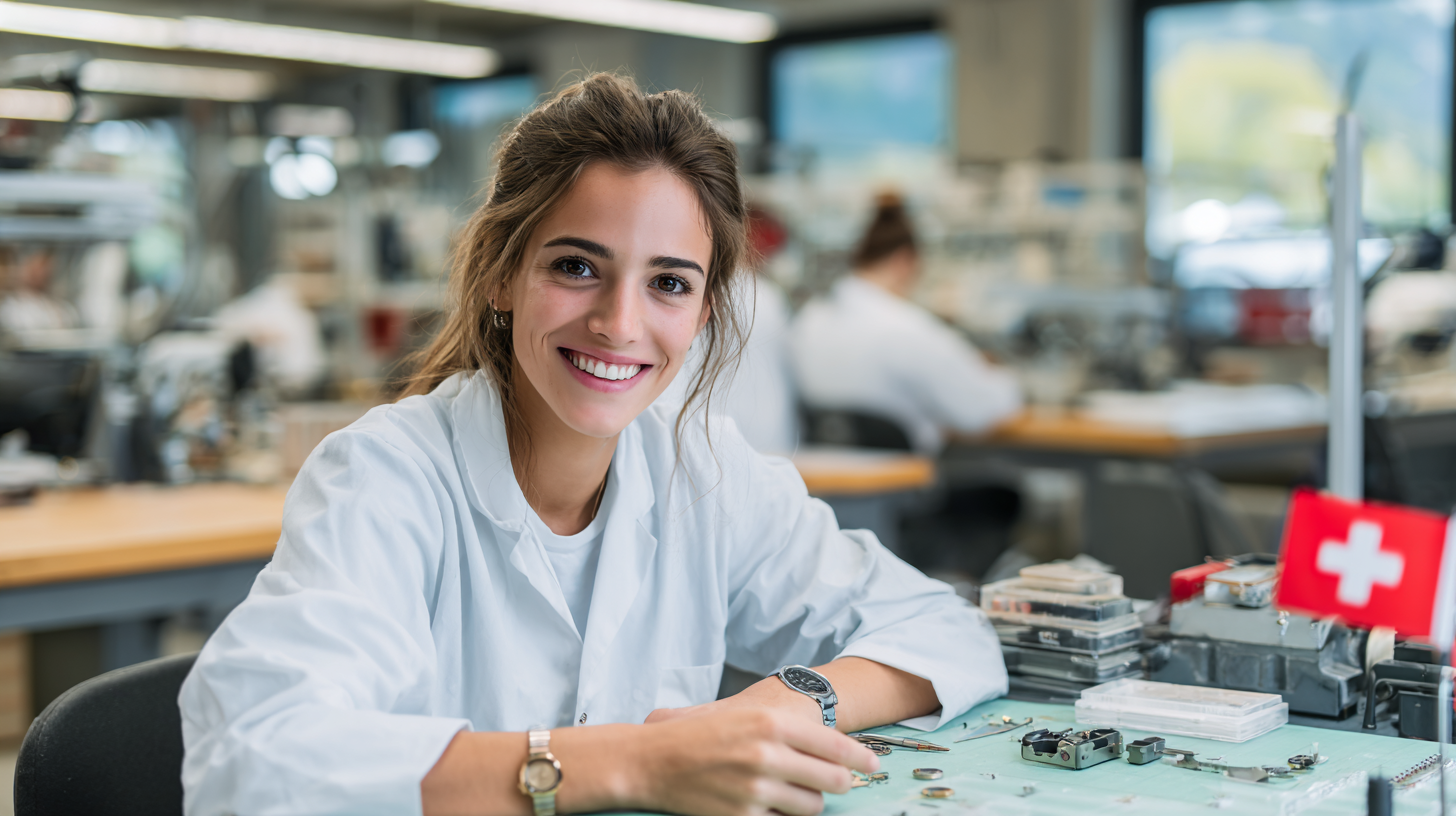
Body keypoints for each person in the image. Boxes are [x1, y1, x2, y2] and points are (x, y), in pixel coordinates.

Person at [180, 74, 1005, 816]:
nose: (619, 323)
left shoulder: (703, 472)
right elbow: (254, 763)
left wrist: (792, 701)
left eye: (669, 283)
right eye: (577, 267)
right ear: (501, 275)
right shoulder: (387, 477)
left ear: (706, 313)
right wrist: (635, 762)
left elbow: (945, 631)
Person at [791, 194, 1022, 454]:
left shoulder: (809, 323)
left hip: (821, 479)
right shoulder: (908, 329)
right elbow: (979, 412)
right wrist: (998, 375)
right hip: (901, 484)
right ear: (904, 261)